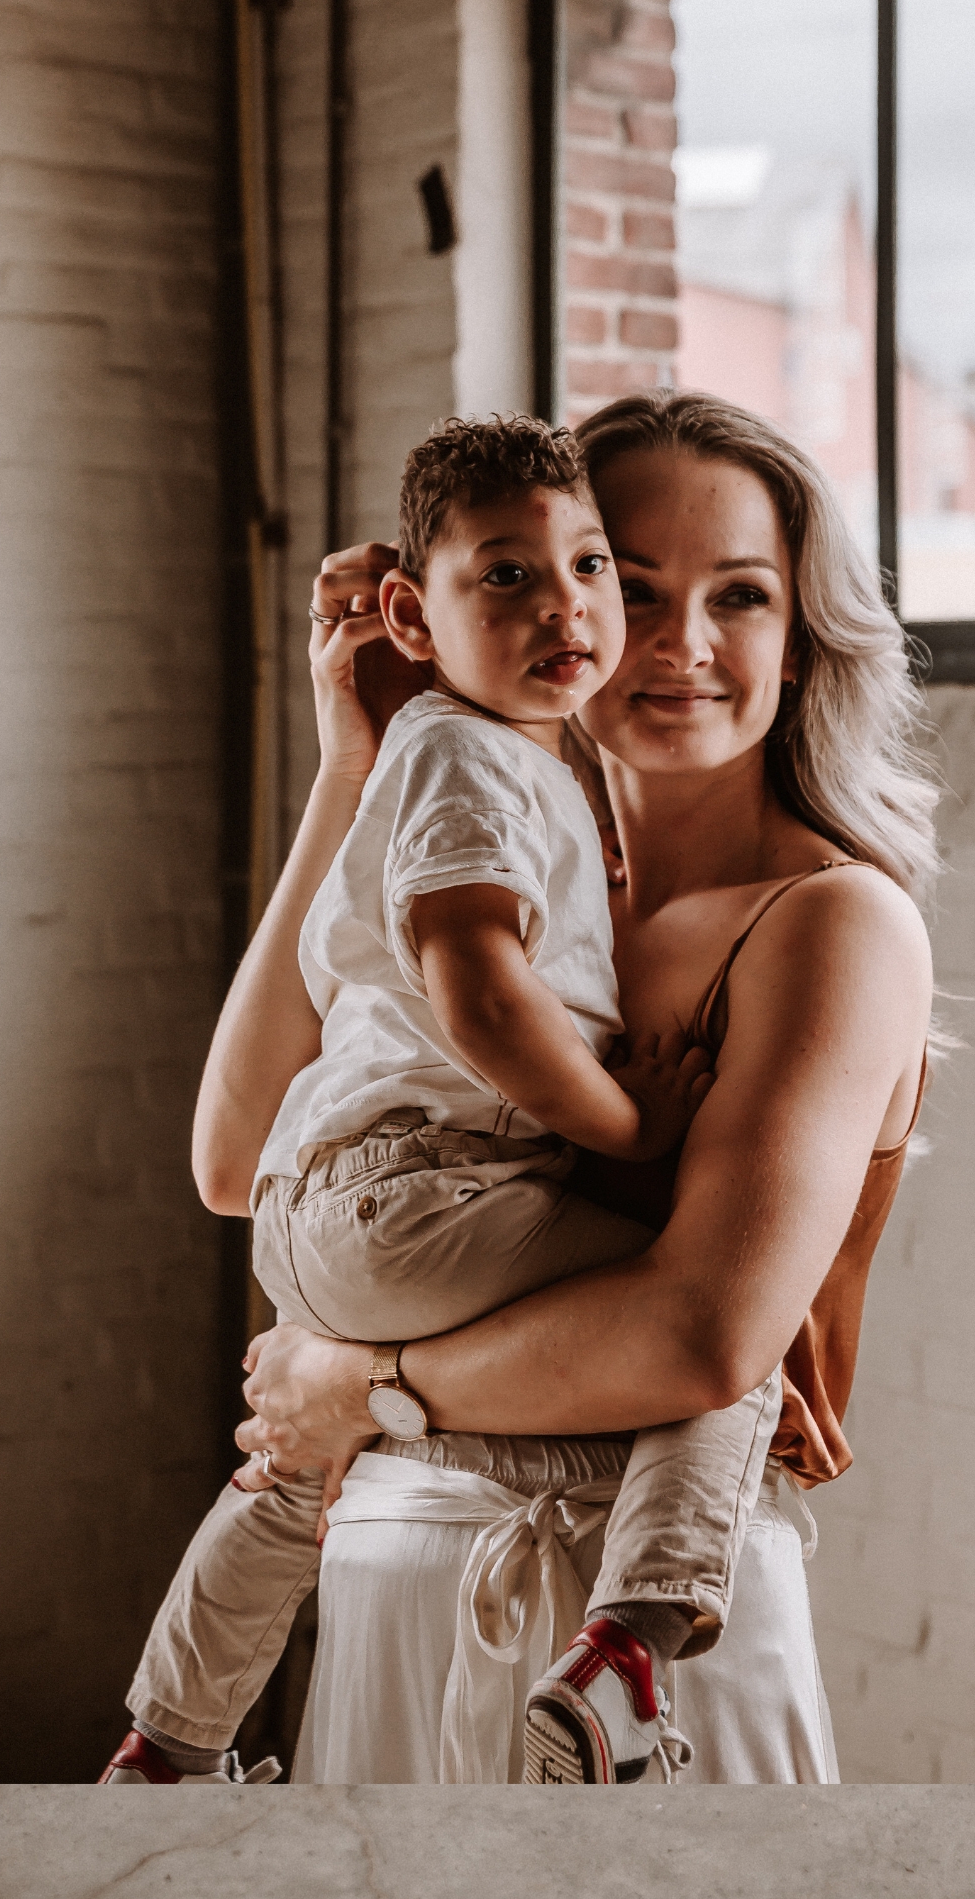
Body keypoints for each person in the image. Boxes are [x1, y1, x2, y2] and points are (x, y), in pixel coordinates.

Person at [227, 391, 937, 1785]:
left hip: (650, 1624)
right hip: (397, 1571)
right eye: (640, 581)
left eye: (742, 594)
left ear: (800, 642)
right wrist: (357, 765)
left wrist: (362, 1383)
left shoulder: (831, 921)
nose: (680, 642)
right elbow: (237, 1153)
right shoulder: (509, 896)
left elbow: (698, 1337)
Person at [100, 414, 795, 1790]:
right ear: (414, 612)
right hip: (421, 1188)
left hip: (333, 1216)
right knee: (734, 1341)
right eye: (510, 577)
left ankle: (169, 1737)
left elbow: (252, 1174)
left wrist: (358, 1384)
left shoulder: (503, 769)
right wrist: (625, 1118)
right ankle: (630, 1645)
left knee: (289, 1470)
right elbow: (476, 994)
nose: (575, 610)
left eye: (590, 568)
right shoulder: (467, 760)